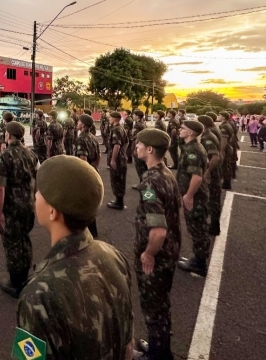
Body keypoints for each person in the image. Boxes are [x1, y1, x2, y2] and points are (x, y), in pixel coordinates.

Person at [16, 156, 134, 360]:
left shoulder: (39, 295)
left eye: (40, 192)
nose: (36, 195)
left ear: (53, 212)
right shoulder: (114, 256)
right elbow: (128, 345)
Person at [133, 128, 182, 360]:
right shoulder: (165, 173)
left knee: (154, 306)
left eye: (140, 144)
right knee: (160, 304)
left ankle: (158, 355)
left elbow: (159, 230)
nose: (137, 147)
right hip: (170, 250)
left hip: (158, 254)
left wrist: (149, 254)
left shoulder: (151, 183)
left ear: (150, 149)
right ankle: (158, 346)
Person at [0, 121, 39, 298]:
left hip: (12, 207)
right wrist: (34, 198)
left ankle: (15, 282)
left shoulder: (5, 156)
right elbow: (38, 177)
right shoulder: (31, 154)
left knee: (12, 242)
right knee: (24, 239)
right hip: (28, 204)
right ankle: (25, 275)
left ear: (9, 135)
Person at [176, 121, 210, 277]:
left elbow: (197, 177)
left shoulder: (193, 150)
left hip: (195, 196)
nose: (179, 130)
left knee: (197, 229)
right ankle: (198, 259)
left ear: (190, 132)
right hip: (195, 194)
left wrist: (189, 196)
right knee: (196, 228)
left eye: (183, 128)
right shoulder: (192, 147)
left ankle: (199, 264)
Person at [75, 114, 101, 238]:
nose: (77, 123)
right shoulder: (93, 137)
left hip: (85, 174)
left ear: (83, 125)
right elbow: (98, 156)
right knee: (90, 203)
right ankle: (93, 231)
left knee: (82, 203)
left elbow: (83, 159)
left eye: (79, 122)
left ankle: (87, 233)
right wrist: (94, 168)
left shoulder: (81, 139)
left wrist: (84, 176)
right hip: (93, 171)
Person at [198, 115, 224, 236]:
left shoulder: (208, 137)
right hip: (213, 171)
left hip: (213, 173)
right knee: (212, 199)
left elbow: (215, 156)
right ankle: (213, 224)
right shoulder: (207, 134)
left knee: (213, 199)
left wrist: (208, 172)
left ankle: (214, 226)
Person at [107, 111, 129, 210]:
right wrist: (123, 152)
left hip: (118, 159)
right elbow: (127, 142)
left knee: (117, 179)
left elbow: (116, 145)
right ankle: (118, 200)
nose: (109, 119)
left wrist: (113, 160)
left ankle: (119, 203)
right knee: (120, 179)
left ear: (115, 119)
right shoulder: (121, 128)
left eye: (110, 118)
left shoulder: (116, 129)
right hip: (122, 157)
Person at [217, 112, 235, 189]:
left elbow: (224, 140)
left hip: (226, 148)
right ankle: (226, 183)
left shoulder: (224, 126)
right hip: (228, 147)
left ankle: (226, 184)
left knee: (225, 166)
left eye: (220, 115)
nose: (218, 116)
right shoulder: (227, 124)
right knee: (226, 165)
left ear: (223, 117)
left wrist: (221, 152)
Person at [130, 109, 148, 180]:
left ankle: (143, 185)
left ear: (137, 116)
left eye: (134, 115)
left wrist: (135, 149)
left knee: (140, 168)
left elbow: (137, 138)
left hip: (138, 147)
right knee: (144, 167)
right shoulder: (143, 123)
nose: (133, 116)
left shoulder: (138, 125)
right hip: (143, 146)